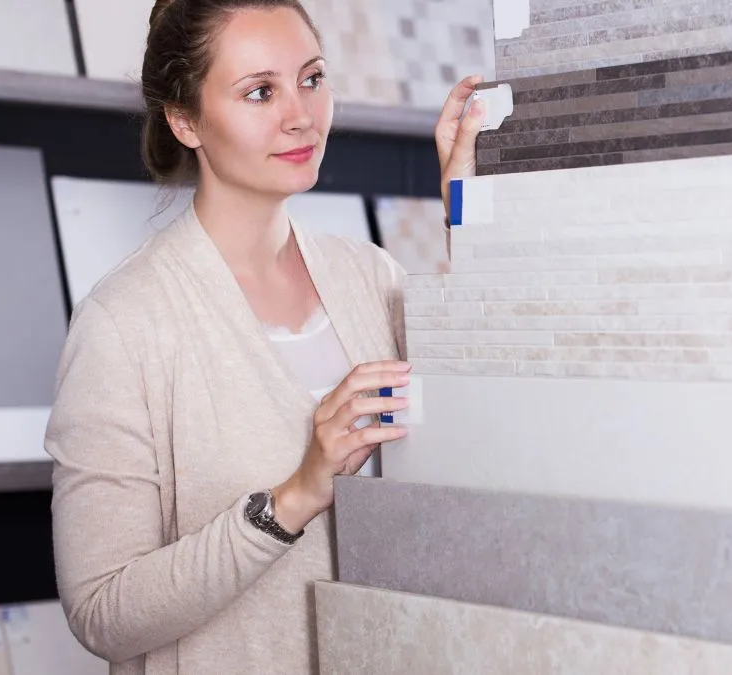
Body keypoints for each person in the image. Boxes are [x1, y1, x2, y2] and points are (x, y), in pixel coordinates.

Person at [43, 0, 486, 672]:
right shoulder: (124, 324)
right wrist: (298, 493)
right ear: (184, 120)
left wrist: (465, 203)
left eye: (312, 78)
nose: (300, 115)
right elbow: (103, 610)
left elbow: (488, 432)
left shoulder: (370, 276)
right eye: (260, 92)